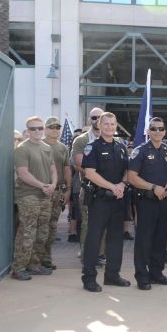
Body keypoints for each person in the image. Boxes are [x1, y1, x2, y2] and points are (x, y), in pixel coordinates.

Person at [81, 112, 130, 292]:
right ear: (99, 126)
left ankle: (112, 275)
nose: (110, 127)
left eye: (112, 124)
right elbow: (90, 173)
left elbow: (127, 170)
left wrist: (122, 185)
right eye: (106, 124)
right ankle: (89, 278)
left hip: (118, 200)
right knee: (94, 239)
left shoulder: (121, 147)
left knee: (115, 239)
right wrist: (112, 186)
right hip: (99, 200)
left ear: (116, 126)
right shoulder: (92, 147)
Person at [128, 117, 167, 290]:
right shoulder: (140, 151)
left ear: (165, 132)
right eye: (154, 128)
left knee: (160, 239)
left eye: (161, 129)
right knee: (144, 240)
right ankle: (142, 276)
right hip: (145, 201)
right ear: (148, 131)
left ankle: (156, 273)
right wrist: (153, 187)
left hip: (163, 202)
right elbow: (132, 177)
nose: (157, 132)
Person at [11, 116, 57, 280]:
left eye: (39, 128)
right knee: (27, 232)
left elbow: (53, 169)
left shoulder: (46, 147)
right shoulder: (22, 149)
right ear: (27, 131)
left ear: (43, 129)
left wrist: (53, 184)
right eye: (33, 128)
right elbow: (23, 174)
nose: (37, 131)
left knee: (43, 233)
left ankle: (34, 265)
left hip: (45, 195)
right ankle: (19, 267)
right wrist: (42, 186)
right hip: (28, 195)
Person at [71, 107, 104, 261]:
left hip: (107, 190)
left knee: (105, 224)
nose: (97, 120)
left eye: (100, 117)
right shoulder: (82, 140)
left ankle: (100, 254)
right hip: (89, 188)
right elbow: (79, 165)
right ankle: (87, 255)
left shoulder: (114, 140)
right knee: (88, 223)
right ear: (89, 120)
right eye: (94, 117)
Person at [41, 117, 72, 271]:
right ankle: (35, 260)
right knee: (41, 227)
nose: (55, 129)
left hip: (57, 191)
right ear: (45, 129)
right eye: (51, 126)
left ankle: (46, 259)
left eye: (57, 127)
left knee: (52, 227)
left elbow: (67, 169)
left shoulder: (63, 148)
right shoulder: (39, 145)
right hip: (41, 191)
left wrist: (68, 190)